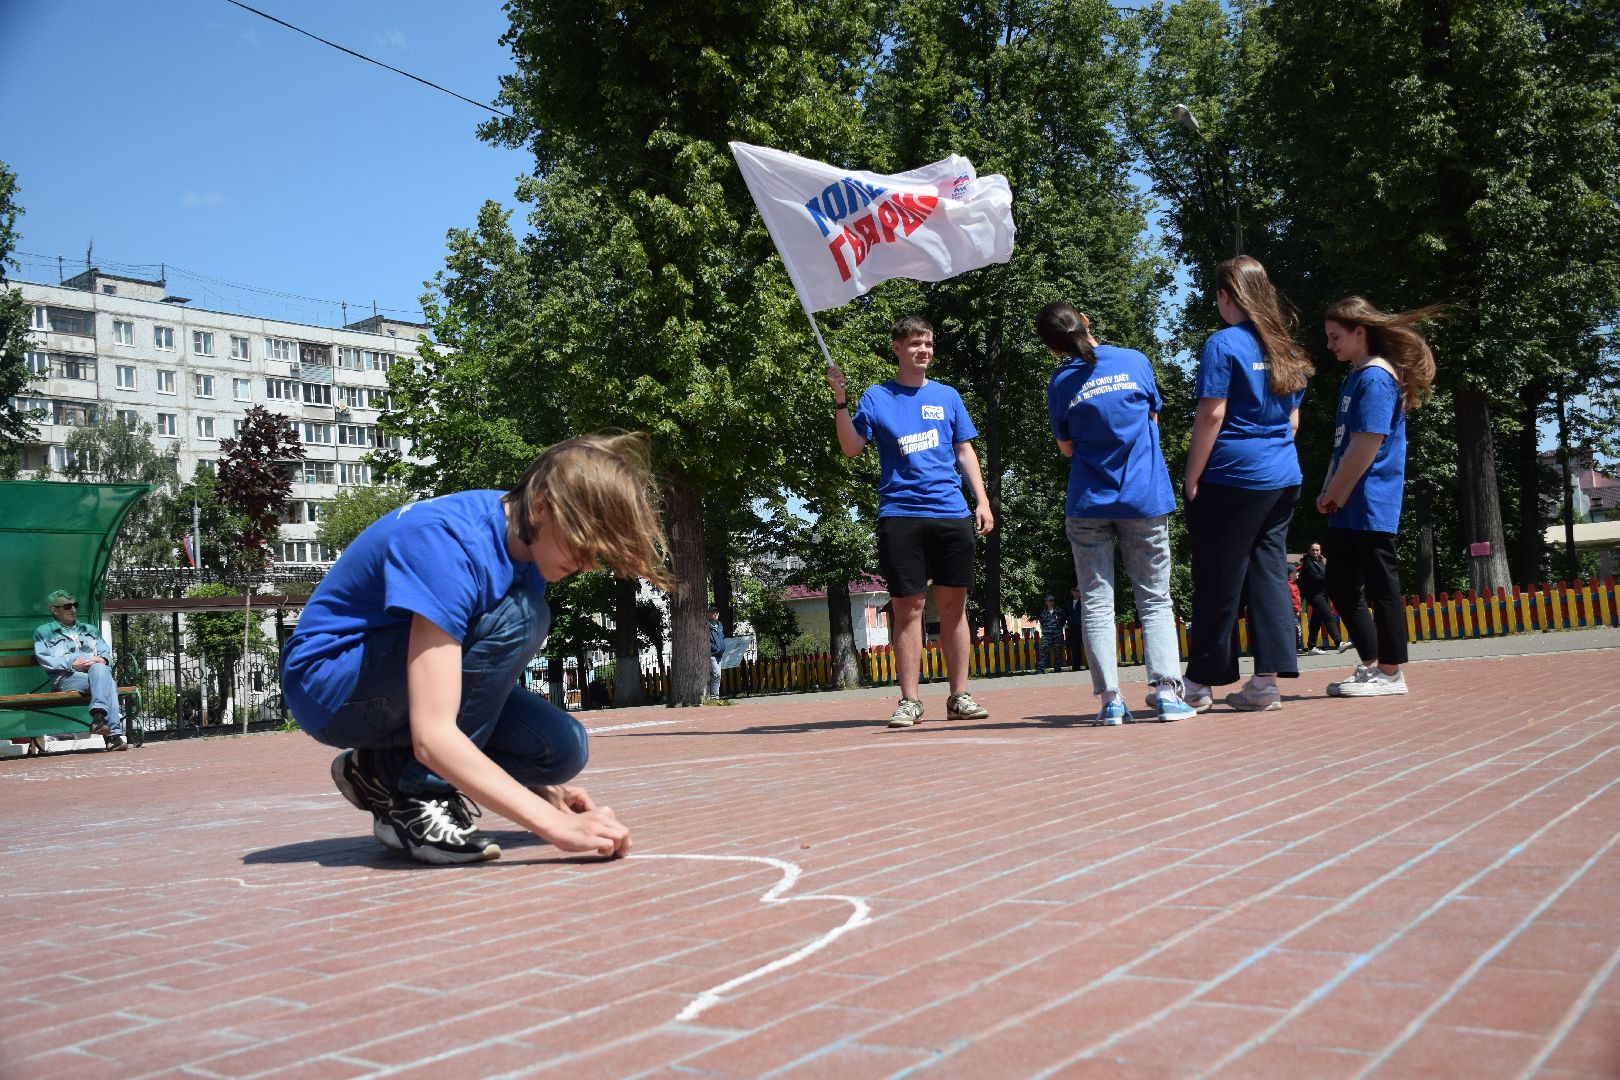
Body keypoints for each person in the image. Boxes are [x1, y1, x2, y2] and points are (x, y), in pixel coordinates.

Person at [280, 432, 667, 865]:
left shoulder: (525, 546)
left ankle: (378, 771)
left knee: (560, 748)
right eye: (583, 542)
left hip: (384, 679)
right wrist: (555, 825)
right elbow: (434, 734)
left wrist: (540, 791)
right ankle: (417, 804)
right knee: (524, 616)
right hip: (331, 683)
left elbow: (477, 694)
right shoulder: (451, 544)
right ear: (541, 504)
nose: (588, 562)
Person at [827, 316, 994, 729]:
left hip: (951, 513)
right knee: (910, 608)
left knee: (955, 609)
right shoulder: (876, 397)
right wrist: (840, 399)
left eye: (929, 344)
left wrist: (982, 500)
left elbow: (965, 450)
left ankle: (959, 696)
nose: (924, 350)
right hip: (900, 514)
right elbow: (850, 448)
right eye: (916, 344)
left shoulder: (948, 396)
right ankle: (910, 701)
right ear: (897, 349)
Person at [1040, 302, 1198, 725]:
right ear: (1086, 322)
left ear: (1053, 348)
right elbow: (1153, 417)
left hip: (1089, 501)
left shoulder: (1060, 382)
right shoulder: (1135, 361)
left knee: (1095, 602)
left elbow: (1067, 447)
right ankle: (1166, 692)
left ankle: (1111, 701)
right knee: (1154, 598)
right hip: (1143, 498)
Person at [1182, 256, 1313, 713]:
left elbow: (1211, 414)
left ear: (1225, 295)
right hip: (1283, 477)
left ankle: (1199, 684)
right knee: (1269, 574)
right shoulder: (1287, 348)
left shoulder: (1223, 344)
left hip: (1234, 478)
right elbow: (1293, 420)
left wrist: (1192, 474)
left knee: (1219, 576)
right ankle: (1266, 683)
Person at [1317, 297, 1443, 697]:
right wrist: (1327, 487)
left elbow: (1367, 444)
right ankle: (1372, 663)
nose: (1330, 345)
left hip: (1369, 498)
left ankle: (1391, 672)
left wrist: (1336, 490)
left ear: (1360, 332)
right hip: (1347, 500)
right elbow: (1343, 444)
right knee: (1337, 582)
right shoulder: (1354, 376)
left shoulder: (1375, 378)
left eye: (1336, 337)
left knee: (1380, 585)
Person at [33, 589, 128, 751]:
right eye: (67, 606)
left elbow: (106, 654)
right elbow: (45, 660)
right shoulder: (43, 633)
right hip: (66, 678)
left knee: (100, 669)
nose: (73, 609)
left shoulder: (90, 630)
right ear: (54, 611)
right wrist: (71, 663)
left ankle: (98, 719)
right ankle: (112, 735)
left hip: (95, 674)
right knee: (108, 683)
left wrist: (102, 659)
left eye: (75, 605)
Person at [1296, 542, 1345, 653]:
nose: (1315, 552)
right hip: (1314, 595)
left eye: (1317, 550)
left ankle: (1311, 646)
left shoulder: (1320, 561)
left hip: (1322, 594)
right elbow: (1316, 577)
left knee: (1316, 620)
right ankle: (1339, 642)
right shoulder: (1308, 562)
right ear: (1309, 551)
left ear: (1320, 551)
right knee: (1328, 617)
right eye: (1313, 550)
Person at [1035, 595, 1066, 673]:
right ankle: (1040, 669)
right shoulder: (1043, 612)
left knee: (1058, 652)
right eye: (1049, 601)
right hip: (1047, 635)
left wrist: (1058, 629)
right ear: (1046, 602)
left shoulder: (1059, 611)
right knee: (1043, 651)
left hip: (1057, 634)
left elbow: (1063, 621)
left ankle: (1057, 668)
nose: (1051, 603)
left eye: (1052, 601)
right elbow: (1042, 622)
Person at [1065, 587, 1086, 672]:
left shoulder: (1084, 602)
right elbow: (1065, 616)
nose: (1077, 593)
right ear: (1072, 592)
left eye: (1078, 591)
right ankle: (1076, 667)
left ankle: (1091, 666)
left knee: (1087, 648)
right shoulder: (1068, 603)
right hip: (1072, 629)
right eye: (1075, 591)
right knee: (1075, 648)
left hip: (1083, 628)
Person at [707, 605, 724, 699]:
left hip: (719, 654)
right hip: (712, 654)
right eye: (713, 612)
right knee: (717, 674)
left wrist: (722, 647)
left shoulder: (719, 624)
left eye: (716, 612)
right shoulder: (707, 625)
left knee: (718, 675)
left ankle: (716, 696)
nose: (715, 614)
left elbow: (721, 637)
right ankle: (713, 696)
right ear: (709, 614)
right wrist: (712, 647)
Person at [1288, 564, 1304, 653]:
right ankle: (1298, 647)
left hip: (1296, 611)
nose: (1298, 574)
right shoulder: (1289, 585)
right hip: (1292, 611)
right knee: (1297, 628)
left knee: (1296, 628)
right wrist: (1296, 609)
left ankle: (1297, 647)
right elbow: (1292, 600)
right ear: (1291, 575)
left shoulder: (1294, 585)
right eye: (1296, 572)